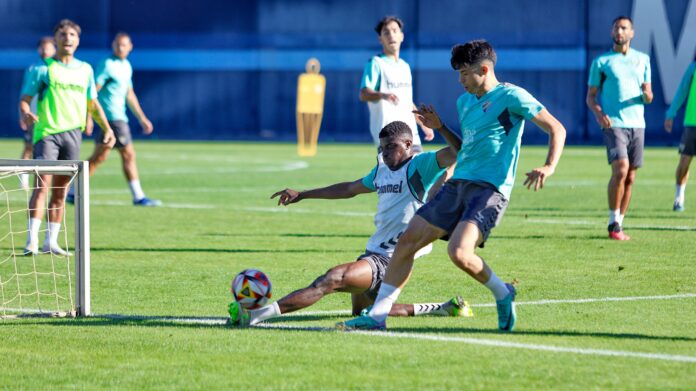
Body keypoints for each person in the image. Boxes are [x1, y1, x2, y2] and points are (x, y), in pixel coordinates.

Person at [338, 39, 566, 332]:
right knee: (407, 241)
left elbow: (556, 128)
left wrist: (549, 166)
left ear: (484, 69)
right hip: (456, 184)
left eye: (464, 73)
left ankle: (502, 292)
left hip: (489, 190)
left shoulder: (512, 96)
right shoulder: (465, 102)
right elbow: (465, 148)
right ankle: (378, 316)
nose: (460, 81)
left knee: (459, 253)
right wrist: (441, 128)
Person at [228, 120, 472, 327]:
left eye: (391, 147)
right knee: (366, 313)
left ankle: (256, 315)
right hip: (373, 252)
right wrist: (302, 194)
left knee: (331, 279)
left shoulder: (421, 165)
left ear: (408, 145)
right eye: (382, 147)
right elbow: (348, 188)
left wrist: (440, 126)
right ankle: (443, 308)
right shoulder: (381, 171)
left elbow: (460, 150)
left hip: (391, 258)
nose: (385, 152)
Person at [20, 19, 115, 255]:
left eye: (72, 34)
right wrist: (26, 112)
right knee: (41, 187)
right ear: (56, 39)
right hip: (47, 134)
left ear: (78, 40)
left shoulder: (85, 70)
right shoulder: (43, 69)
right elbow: (25, 99)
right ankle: (31, 240)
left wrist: (107, 128)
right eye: (63, 34)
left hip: (73, 135)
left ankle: (50, 242)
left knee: (61, 191)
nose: (68, 38)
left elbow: (92, 103)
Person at [68, 32, 160, 206]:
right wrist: (87, 117)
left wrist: (142, 118)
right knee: (128, 154)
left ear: (130, 47)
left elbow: (129, 93)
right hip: (111, 119)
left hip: (119, 117)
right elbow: (92, 92)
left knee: (99, 157)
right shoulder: (107, 65)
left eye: (124, 45)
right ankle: (138, 196)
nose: (120, 47)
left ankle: (73, 191)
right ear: (113, 45)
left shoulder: (126, 66)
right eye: (117, 44)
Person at [586, 15, 652, 240]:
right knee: (621, 169)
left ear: (632, 32)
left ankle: (619, 224)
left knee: (631, 176)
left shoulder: (642, 59)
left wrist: (648, 95)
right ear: (612, 32)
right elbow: (590, 97)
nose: (620, 32)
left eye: (624, 28)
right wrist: (599, 113)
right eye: (616, 28)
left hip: (638, 124)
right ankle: (613, 222)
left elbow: (648, 94)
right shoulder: (602, 62)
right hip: (614, 123)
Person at [360, 16, 434, 151]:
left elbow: (407, 102)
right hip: (389, 137)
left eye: (394, 31)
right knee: (401, 172)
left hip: (411, 135)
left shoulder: (405, 67)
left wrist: (423, 123)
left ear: (401, 36)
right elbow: (364, 94)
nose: (391, 35)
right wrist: (383, 95)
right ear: (380, 39)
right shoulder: (376, 63)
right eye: (386, 32)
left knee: (422, 171)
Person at [18, 37, 56, 189]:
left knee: (51, 150)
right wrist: (23, 114)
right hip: (33, 117)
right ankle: (24, 180)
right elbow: (24, 95)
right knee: (29, 147)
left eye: (48, 47)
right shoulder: (33, 69)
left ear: (54, 48)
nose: (45, 50)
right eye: (42, 47)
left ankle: (53, 183)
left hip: (52, 118)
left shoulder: (58, 68)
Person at [664, 57, 696, 212]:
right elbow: (682, 91)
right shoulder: (693, 68)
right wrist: (671, 113)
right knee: (684, 162)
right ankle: (679, 197)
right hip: (692, 123)